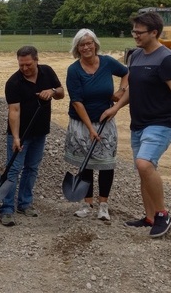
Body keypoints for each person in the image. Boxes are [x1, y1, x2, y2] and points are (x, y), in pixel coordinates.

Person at [101, 11, 171, 238]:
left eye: (139, 32)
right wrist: (116, 108)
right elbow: (133, 88)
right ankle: (150, 217)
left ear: (154, 32)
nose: (135, 35)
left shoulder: (167, 59)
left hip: (162, 122)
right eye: (134, 30)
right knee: (143, 170)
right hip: (139, 123)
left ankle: (163, 214)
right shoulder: (135, 56)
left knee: (145, 164)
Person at [64, 29, 128, 221]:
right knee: (86, 164)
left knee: (106, 164)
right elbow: (77, 101)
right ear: (77, 48)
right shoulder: (74, 70)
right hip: (81, 123)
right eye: (82, 45)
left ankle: (103, 205)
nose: (86, 47)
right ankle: (87, 203)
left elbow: (127, 73)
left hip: (105, 121)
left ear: (95, 44)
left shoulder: (107, 62)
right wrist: (90, 129)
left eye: (89, 43)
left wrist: (121, 91)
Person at [0, 46, 65, 226]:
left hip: (40, 131)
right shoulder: (14, 83)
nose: (25, 68)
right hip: (20, 134)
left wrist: (51, 92)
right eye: (21, 65)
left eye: (28, 64)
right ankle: (6, 209)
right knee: (13, 169)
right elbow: (14, 111)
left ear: (36, 60)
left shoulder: (47, 72)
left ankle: (25, 203)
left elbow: (61, 92)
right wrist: (16, 137)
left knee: (32, 168)